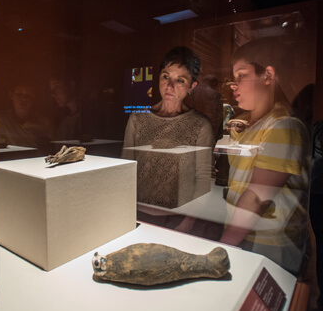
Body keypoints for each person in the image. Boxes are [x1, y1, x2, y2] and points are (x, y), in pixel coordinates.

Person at [219, 38, 311, 275]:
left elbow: (256, 198)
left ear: (268, 75)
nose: (233, 85)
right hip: (246, 234)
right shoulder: (251, 124)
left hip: (269, 244)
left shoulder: (284, 126)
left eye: (241, 76)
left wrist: (222, 246)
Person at [122, 46, 213, 231]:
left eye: (180, 80)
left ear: (191, 86)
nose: (169, 86)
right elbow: (125, 168)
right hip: (136, 213)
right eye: (166, 76)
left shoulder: (200, 125)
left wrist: (187, 223)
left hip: (177, 218)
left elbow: (203, 180)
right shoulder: (137, 118)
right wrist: (123, 212)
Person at [0, 81, 51, 149]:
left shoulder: (43, 121)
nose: (23, 99)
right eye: (19, 94)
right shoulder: (1, 120)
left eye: (27, 95)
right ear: (11, 95)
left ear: (33, 97)